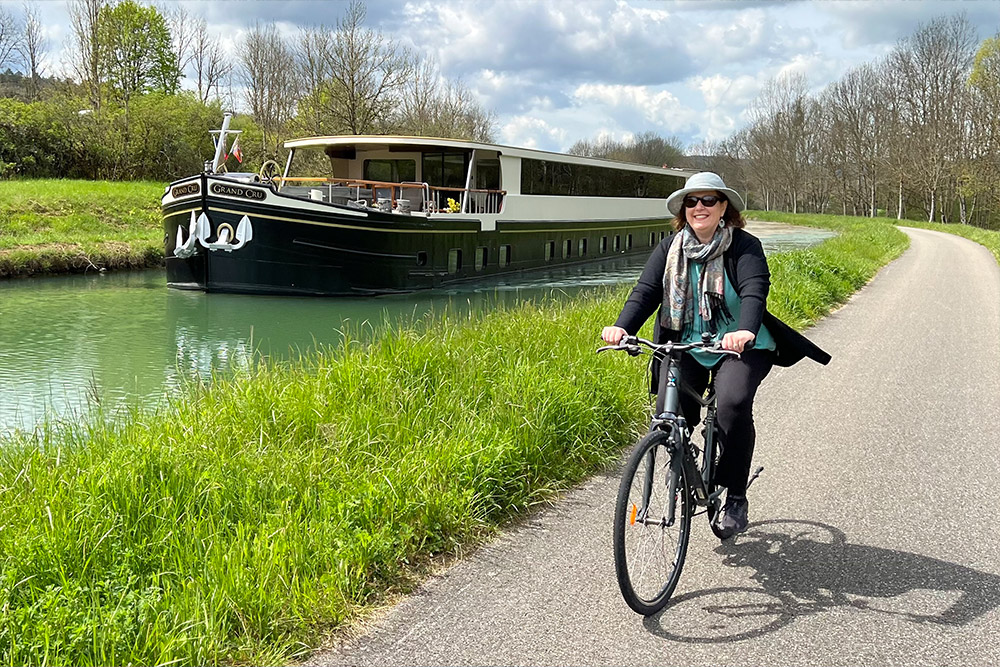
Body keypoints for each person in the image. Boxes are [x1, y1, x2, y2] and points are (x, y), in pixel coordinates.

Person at [602, 172, 830, 539]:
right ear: (683, 210)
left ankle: (735, 494)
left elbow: (755, 290)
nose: (699, 207)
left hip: (739, 345)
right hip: (686, 343)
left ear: (724, 207)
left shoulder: (744, 246)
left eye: (709, 200)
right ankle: (681, 454)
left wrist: (745, 330)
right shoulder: (670, 249)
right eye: (692, 201)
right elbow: (645, 293)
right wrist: (622, 327)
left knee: (733, 403)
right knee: (668, 411)